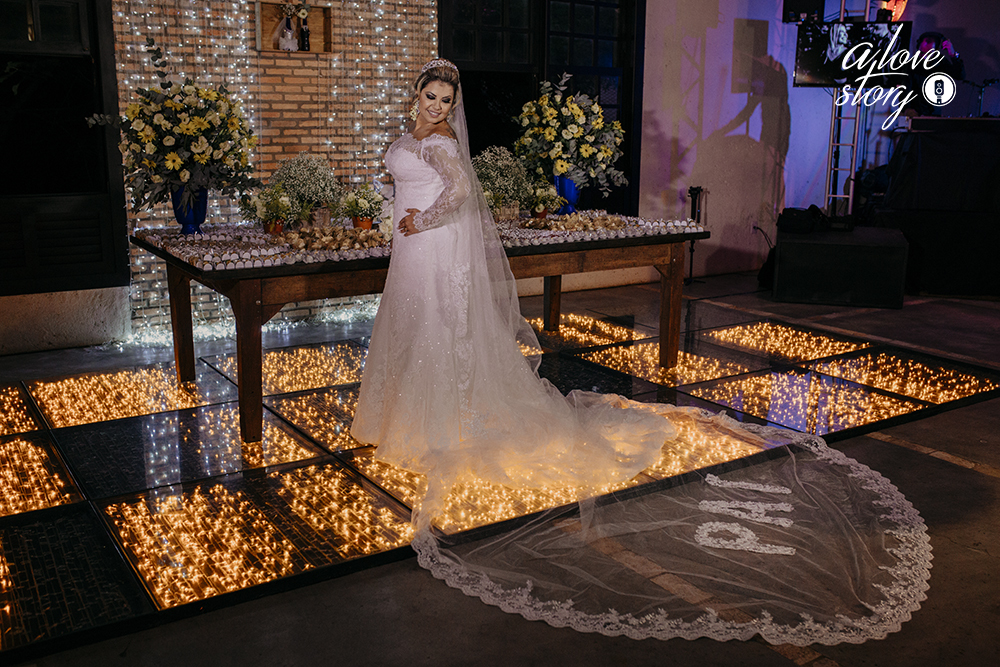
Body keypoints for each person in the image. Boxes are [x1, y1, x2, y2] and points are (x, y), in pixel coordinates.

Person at [348, 58, 931, 645]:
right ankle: (408, 413)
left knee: (440, 331)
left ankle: (442, 422)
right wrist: (391, 215)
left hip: (433, 243)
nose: (436, 107)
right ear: (416, 93)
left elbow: (460, 193)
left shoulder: (444, 143)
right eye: (430, 96)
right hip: (410, 248)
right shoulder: (408, 137)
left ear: (452, 106)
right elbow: (397, 186)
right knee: (413, 326)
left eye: (446, 100)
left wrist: (424, 218)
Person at [904, 31, 965, 117]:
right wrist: (906, 108)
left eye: (928, 53)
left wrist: (953, 54)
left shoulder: (941, 62)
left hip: (934, 113)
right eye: (922, 52)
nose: (924, 57)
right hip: (915, 113)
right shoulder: (912, 65)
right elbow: (906, 88)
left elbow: (960, 75)